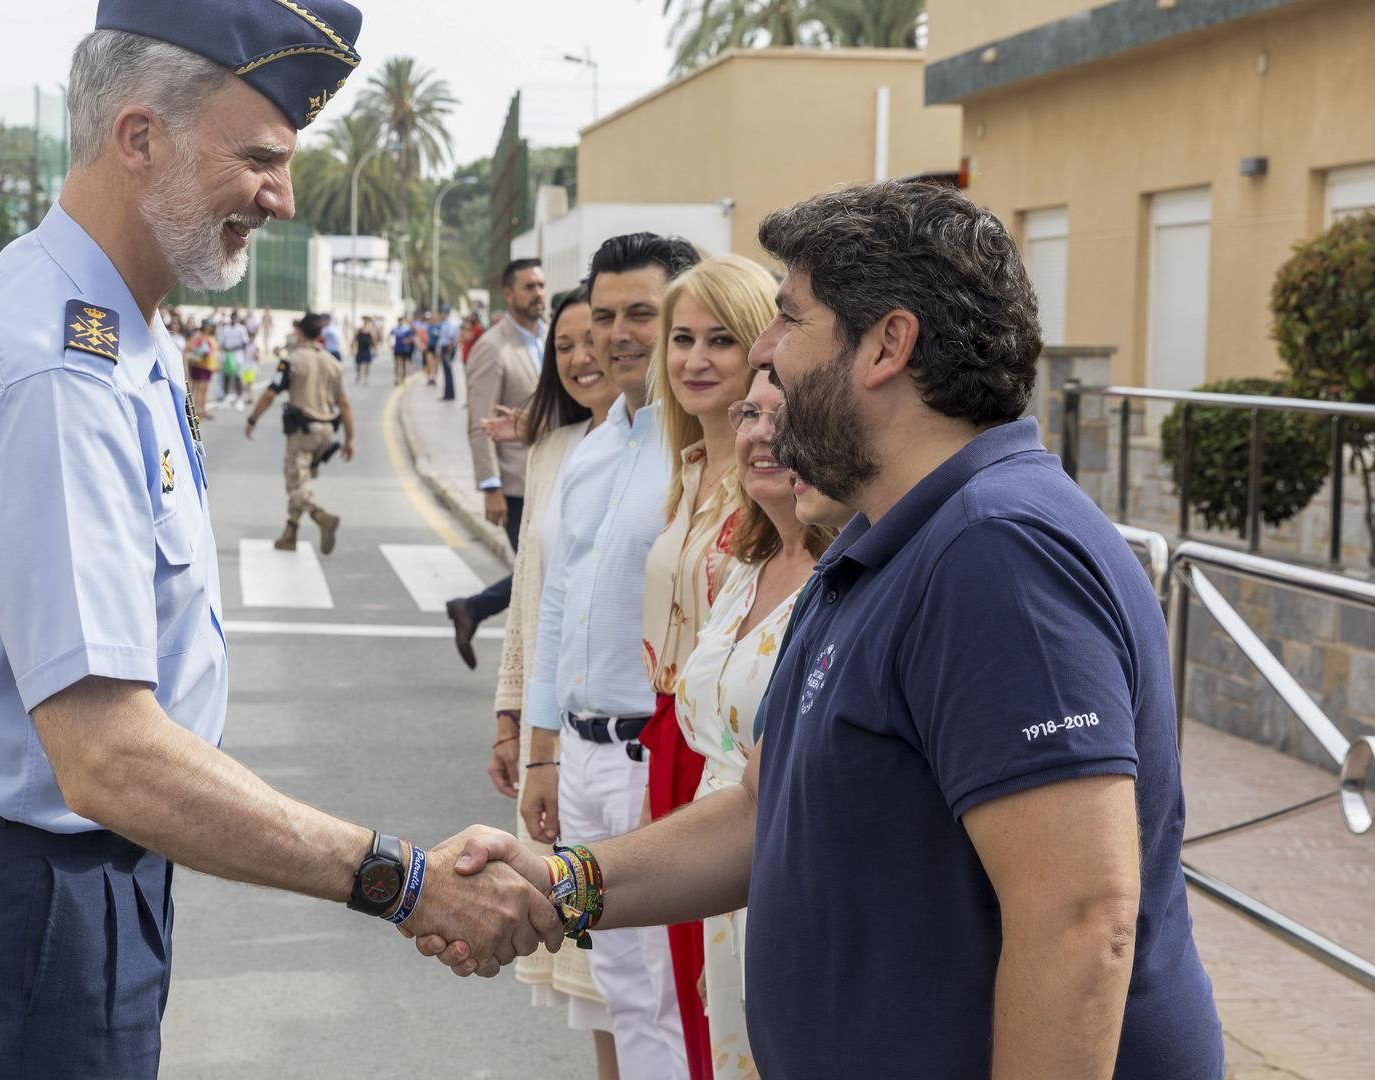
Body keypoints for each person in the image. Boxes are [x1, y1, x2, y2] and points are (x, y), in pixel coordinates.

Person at [0, 7, 559, 1079]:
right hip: (18, 906)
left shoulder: (112, 327)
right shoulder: (58, 370)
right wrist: (401, 879)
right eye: (260, 160)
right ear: (139, 138)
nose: (279, 198)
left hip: (75, 888)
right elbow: (108, 755)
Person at [434, 182, 1227, 1080]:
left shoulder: (996, 554)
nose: (766, 349)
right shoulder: (882, 544)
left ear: (887, 343)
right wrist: (562, 882)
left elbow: (1082, 920)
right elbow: (761, 809)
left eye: (790, 319)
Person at [519, 232, 701, 1080]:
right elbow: (560, 598)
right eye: (603, 317)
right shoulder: (593, 450)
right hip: (585, 761)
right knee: (621, 985)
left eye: (642, 313)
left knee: (671, 988)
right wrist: (543, 749)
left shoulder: (702, 449)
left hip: (657, 760)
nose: (618, 335)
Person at [636, 254, 775, 1076]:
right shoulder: (685, 472)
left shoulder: (778, 478)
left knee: (729, 987)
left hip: (732, 754)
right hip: (667, 738)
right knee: (679, 984)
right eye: (682, 339)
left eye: (721, 339)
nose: (695, 359)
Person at [677, 369, 837, 1078]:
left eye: (786, 415)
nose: (762, 435)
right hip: (720, 872)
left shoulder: (843, 579)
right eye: (750, 414)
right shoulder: (746, 562)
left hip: (788, 878)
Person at [486, 288, 623, 1078]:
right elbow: (530, 598)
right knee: (597, 983)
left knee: (635, 976)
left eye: (594, 338)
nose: (580, 358)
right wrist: (513, 722)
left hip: (625, 743)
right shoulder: (551, 452)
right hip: (555, 739)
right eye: (564, 345)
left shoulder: (668, 451)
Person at [443, 258, 546, 669]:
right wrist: (490, 486)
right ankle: (480, 618)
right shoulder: (491, 347)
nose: (538, 294)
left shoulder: (549, 337)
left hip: (549, 476)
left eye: (541, 285)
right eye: (529, 287)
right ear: (509, 294)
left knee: (538, 570)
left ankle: (472, 608)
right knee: (537, 573)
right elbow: (480, 423)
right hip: (516, 484)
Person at [246, 312, 352, 554]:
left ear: (300, 332)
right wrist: (350, 438)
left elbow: (271, 392)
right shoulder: (333, 363)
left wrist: (253, 419)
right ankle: (289, 534)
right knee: (300, 479)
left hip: (303, 432)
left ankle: (321, 516)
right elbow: (344, 402)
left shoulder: (292, 361)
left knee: (295, 483)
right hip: (326, 431)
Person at [218, 310, 251, 405]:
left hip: (237, 355)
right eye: (232, 317)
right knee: (226, 376)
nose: (233, 318)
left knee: (238, 376)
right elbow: (221, 342)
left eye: (235, 317)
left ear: (237, 318)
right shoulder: (226, 328)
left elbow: (245, 342)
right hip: (227, 354)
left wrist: (235, 347)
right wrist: (226, 349)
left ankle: (239, 397)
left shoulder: (241, 328)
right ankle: (226, 396)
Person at [438, 306, 461, 401]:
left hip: (447, 348)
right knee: (446, 372)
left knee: (448, 372)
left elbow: (451, 339)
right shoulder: (446, 323)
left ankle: (449, 395)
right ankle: (447, 394)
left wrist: (448, 353)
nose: (442, 314)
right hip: (445, 347)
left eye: (443, 312)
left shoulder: (450, 323)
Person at [391, 311, 416, 383]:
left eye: (401, 320)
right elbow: (390, 337)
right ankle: (397, 377)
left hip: (404, 349)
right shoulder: (395, 329)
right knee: (397, 364)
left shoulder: (406, 329)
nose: (400, 322)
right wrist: (391, 344)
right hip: (397, 348)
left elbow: (412, 338)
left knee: (403, 364)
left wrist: (407, 340)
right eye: (399, 320)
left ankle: (403, 377)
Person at [353, 314, 374, 384]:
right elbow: (354, 339)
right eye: (364, 321)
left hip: (367, 349)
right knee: (358, 364)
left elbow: (373, 340)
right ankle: (358, 375)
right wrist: (352, 347)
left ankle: (366, 378)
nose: (365, 323)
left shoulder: (370, 331)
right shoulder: (359, 330)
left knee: (367, 365)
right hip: (360, 349)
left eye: (367, 321)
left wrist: (375, 348)